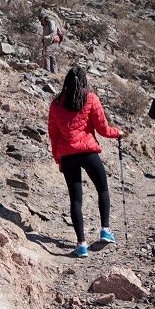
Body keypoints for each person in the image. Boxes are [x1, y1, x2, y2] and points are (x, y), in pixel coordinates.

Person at [48, 65, 124, 258]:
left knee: (75, 199)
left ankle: (81, 244)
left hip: (67, 156)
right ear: (83, 81)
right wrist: (118, 133)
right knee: (102, 189)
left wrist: (58, 159)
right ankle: (105, 230)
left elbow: (53, 136)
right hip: (88, 152)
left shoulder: (56, 104)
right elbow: (103, 129)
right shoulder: (90, 98)